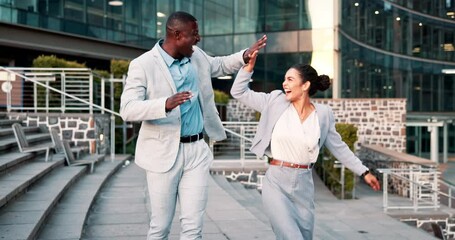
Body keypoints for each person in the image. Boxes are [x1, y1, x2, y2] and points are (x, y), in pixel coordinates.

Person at [119, 11, 266, 240]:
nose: (198, 39)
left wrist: (245, 55)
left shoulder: (196, 56)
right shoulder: (143, 65)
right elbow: (127, 109)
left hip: (196, 150)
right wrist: (164, 104)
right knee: (160, 227)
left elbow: (218, 65)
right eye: (193, 34)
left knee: (193, 228)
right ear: (177, 35)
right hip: (163, 154)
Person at [230, 50, 381, 240]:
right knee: (292, 236)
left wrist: (364, 172)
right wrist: (247, 69)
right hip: (276, 180)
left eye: (290, 79)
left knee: (303, 236)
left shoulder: (323, 114)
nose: (284, 83)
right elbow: (238, 92)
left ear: (305, 85)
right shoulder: (275, 101)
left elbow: (339, 148)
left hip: (304, 184)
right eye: (284, 79)